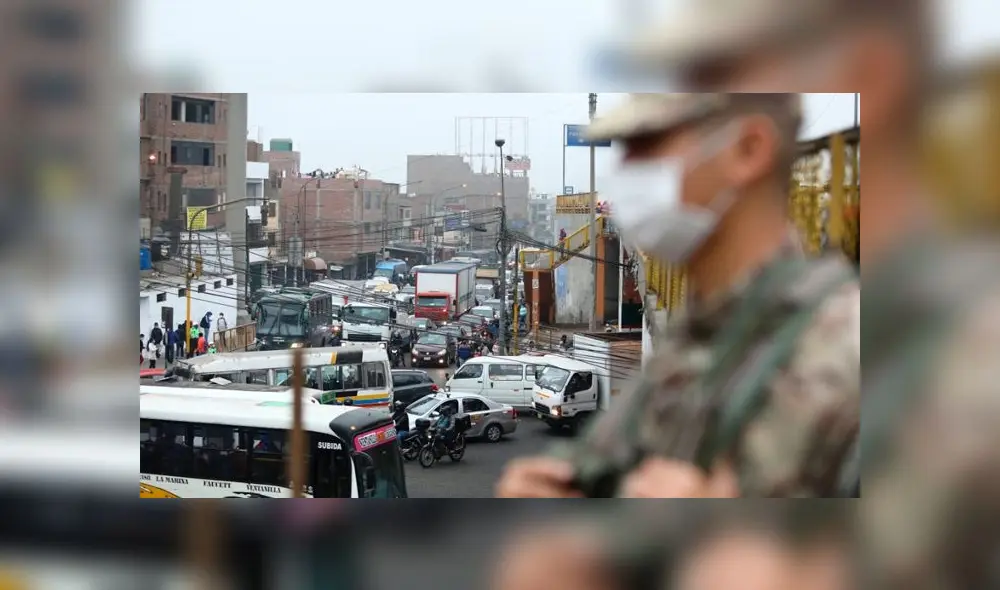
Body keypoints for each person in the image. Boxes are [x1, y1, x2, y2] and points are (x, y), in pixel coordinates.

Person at [496, 93, 859, 499]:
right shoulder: (703, 330)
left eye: (649, 145)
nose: (626, 171)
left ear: (749, 149)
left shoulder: (851, 346)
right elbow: (601, 459)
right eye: (626, 150)